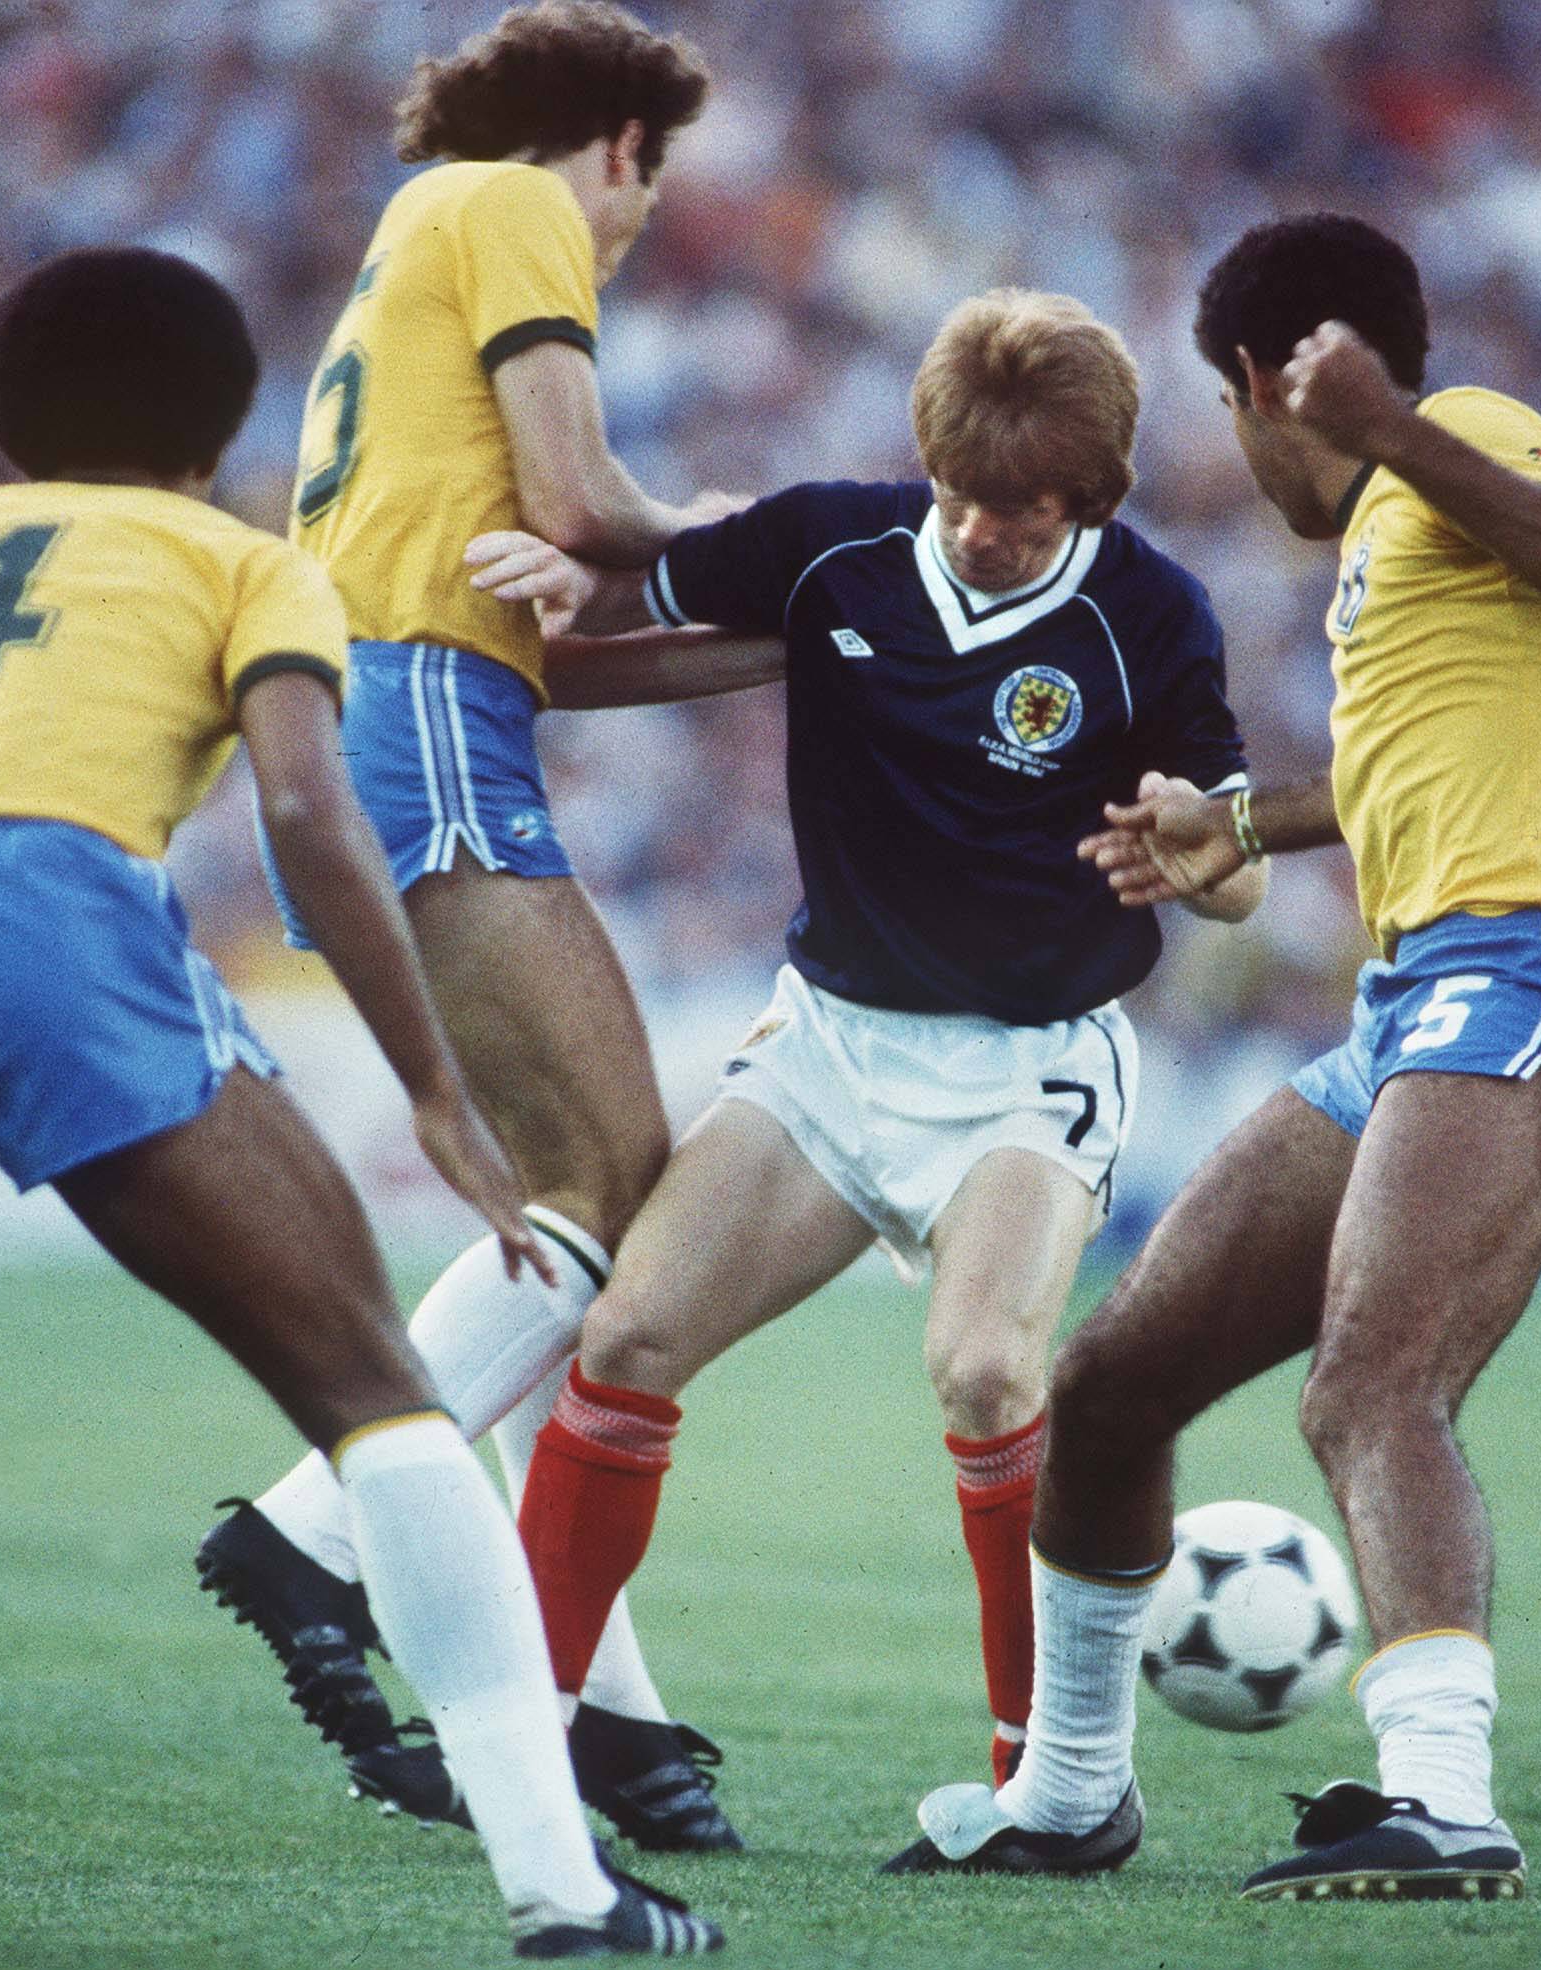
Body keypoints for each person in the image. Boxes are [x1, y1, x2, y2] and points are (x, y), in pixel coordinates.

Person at [0, 248, 722, 1958]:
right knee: (379, 1392)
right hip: (48, 907)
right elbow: (313, 813)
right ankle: (567, 1892)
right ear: (224, 420)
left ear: (3, 414)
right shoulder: (246, 559)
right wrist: (434, 1095)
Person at [884, 213, 1541, 1899]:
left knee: (1373, 1386)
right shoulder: (1400, 534)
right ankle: (1072, 1791)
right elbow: (1412, 772)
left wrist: (1393, 421)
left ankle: (1446, 1798)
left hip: (1530, 958)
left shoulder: (1460, 446)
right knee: (1109, 1386)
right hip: (1419, 1001)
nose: (1246, 455)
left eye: (1231, 412)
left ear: (1261, 383)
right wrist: (1233, 820)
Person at [465, 288, 1260, 1792]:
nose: (976, 533)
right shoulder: (835, 538)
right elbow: (639, 576)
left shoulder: (1149, 614)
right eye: (958, 495)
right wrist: (551, 575)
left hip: (1029, 1068)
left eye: (1019, 515)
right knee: (627, 1337)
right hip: (830, 1047)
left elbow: (1237, 867)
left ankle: (1048, 1765)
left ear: (1088, 500)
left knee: (982, 1368)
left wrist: (1206, 855)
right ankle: (520, 1725)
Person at [186, 0, 759, 1853]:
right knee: (617, 1167)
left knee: (548, 1225)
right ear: (617, 144)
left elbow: (558, 640)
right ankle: (313, 1528)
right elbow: (585, 506)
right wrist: (771, 538)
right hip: (421, 714)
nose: (637, 220)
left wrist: (807, 641)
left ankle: (604, 1715)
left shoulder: (411, 245)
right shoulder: (511, 205)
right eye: (646, 185)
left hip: (397, 709)